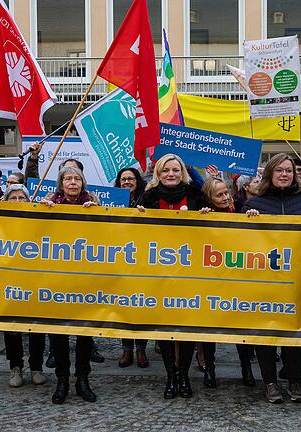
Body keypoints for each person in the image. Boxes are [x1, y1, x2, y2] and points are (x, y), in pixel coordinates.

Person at [243, 153, 301, 403]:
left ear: (295, 174)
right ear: (270, 174)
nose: (284, 174)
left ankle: (295, 381)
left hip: (297, 283)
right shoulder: (253, 205)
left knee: (295, 334)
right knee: (265, 334)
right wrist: (248, 222)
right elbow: (240, 243)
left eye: (288, 170)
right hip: (264, 283)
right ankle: (270, 382)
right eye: (279, 170)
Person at [137, 153, 207, 399]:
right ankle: (170, 376)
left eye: (175, 170)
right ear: (158, 173)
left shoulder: (197, 196)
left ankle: (184, 375)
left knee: (186, 328)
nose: (170, 174)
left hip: (190, 274)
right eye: (165, 170)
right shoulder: (147, 198)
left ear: (182, 172)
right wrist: (139, 216)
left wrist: (208, 215)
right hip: (160, 275)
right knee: (165, 329)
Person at [39, 165, 99, 404]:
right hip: (57, 281)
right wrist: (42, 213)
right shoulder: (49, 202)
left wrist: (97, 215)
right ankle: (62, 379)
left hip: (86, 280)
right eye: (68, 179)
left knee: (84, 332)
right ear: (61, 183)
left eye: (77, 179)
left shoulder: (93, 204)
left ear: (83, 183)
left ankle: (83, 378)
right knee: (59, 334)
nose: (73, 182)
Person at [201, 177, 257, 387]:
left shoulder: (242, 208)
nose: (225, 198)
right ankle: (210, 369)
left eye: (227, 193)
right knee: (210, 329)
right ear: (209, 198)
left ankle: (246, 368)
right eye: (219, 195)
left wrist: (253, 217)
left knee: (240, 327)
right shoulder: (202, 214)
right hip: (211, 280)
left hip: (238, 279)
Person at [0, 184, 48, 387]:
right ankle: (15, 367)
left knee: (36, 327)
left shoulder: (37, 221)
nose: (18, 202)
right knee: (11, 329)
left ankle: (36, 366)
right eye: (13, 198)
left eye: (22, 198)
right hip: (9, 282)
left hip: (34, 282)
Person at [113, 167, 149, 368]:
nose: (127, 182)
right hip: (121, 260)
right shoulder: (113, 200)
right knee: (125, 308)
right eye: (123, 179)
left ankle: (141, 349)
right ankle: (126, 350)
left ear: (137, 181)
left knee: (141, 308)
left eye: (131, 178)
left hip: (143, 260)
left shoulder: (146, 199)